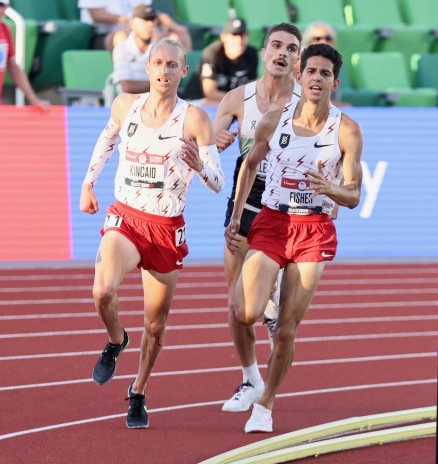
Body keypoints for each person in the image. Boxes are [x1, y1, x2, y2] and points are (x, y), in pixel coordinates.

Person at [80, 38, 225, 429]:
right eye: (158, 63)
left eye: (172, 65)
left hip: (165, 229)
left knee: (156, 325)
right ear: (147, 67)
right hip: (126, 217)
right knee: (101, 291)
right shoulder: (125, 104)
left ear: (184, 71)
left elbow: (218, 181)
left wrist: (199, 165)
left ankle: (139, 391)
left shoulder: (194, 119)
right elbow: (107, 139)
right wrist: (88, 183)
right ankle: (115, 340)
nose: (164, 71)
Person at [225, 43, 363, 433]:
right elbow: (248, 166)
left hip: (313, 230)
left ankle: (265, 404)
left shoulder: (347, 130)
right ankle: (264, 304)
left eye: (325, 74)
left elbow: (354, 195)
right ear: (299, 76)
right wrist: (237, 217)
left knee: (287, 328)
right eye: (311, 72)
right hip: (271, 222)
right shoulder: (273, 121)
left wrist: (330, 189)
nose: (316, 79)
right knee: (246, 312)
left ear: (334, 82)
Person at [214, 22, 302, 413]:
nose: (283, 53)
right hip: (244, 201)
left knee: (268, 296)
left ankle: (271, 304)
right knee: (237, 302)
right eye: (277, 46)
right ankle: (250, 378)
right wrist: (216, 139)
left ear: (297, 60)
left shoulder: (307, 101)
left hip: (285, 208)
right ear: (264, 52)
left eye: (291, 48)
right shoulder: (238, 98)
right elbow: (210, 140)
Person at [112, 4, 192, 94]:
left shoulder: (164, 47)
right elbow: (127, 87)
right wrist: (164, 82)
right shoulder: (122, 48)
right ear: (132, 23)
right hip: (130, 103)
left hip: (160, 102)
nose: (150, 24)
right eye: (145, 19)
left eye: (153, 19)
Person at [0, 0, 50, 109]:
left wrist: (32, 97)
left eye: (0, 4)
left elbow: (14, 67)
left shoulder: (4, 30)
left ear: (6, 6)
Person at [192, 18, 259, 106]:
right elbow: (210, 94)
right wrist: (240, 99)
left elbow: (251, 89)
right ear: (223, 37)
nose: (239, 40)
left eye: (242, 35)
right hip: (200, 102)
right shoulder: (212, 53)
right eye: (234, 35)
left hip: (233, 104)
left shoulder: (251, 54)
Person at [301, 21, 350, 108]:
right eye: (317, 38)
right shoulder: (299, 64)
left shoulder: (335, 64)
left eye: (328, 38)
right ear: (308, 41)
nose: (323, 42)